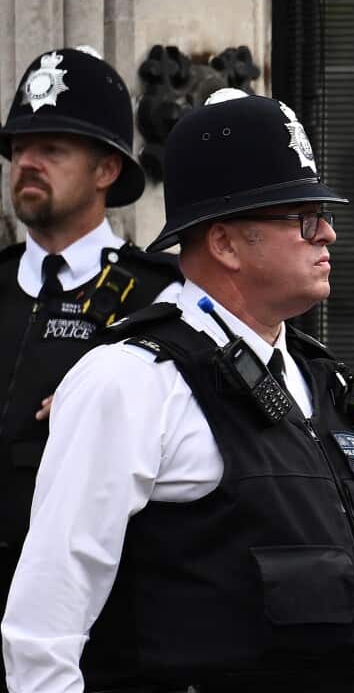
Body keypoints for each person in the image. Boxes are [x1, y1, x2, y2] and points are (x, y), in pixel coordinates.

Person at [1, 89, 354, 693]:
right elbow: (45, 623)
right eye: (303, 217)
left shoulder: (318, 379)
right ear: (226, 243)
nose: (329, 234)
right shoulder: (131, 381)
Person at [0, 48, 182, 678]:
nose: (27, 161)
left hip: (103, 635)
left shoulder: (163, 297)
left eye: (52, 148)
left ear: (107, 168)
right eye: (21, 146)